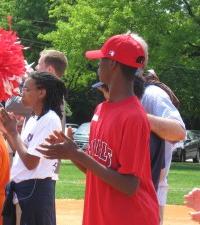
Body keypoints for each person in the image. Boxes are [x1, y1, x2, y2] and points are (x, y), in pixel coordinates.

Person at [37, 33, 159, 225]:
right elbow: (97, 170)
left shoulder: (134, 116)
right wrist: (72, 153)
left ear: (113, 64)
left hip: (129, 217)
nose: (98, 65)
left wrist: (76, 153)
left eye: (102, 59)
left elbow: (129, 185)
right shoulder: (101, 109)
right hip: (101, 215)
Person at [0, 71, 67, 225]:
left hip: (34, 192)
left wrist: (12, 131)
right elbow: (20, 154)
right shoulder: (33, 119)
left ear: (41, 93)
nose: (21, 92)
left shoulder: (49, 119)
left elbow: (31, 163)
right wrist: (7, 131)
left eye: (26, 89)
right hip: (24, 191)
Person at [92, 75, 165, 192]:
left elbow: (129, 185)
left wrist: (76, 154)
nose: (106, 99)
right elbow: (161, 173)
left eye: (106, 92)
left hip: (134, 205)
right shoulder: (152, 128)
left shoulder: (134, 123)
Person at [141, 69, 186, 224]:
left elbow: (179, 131)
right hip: (138, 191)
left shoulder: (152, 94)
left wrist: (136, 114)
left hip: (152, 191)